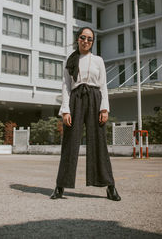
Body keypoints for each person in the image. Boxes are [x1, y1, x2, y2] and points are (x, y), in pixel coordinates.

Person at [50, 27, 121, 201]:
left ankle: (110, 186)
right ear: (78, 39)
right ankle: (60, 187)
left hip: (95, 98)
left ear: (92, 42)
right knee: (70, 142)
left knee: (99, 141)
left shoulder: (98, 60)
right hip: (75, 99)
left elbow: (103, 85)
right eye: (83, 37)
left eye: (90, 39)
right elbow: (66, 85)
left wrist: (104, 108)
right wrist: (65, 109)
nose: (86, 41)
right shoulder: (71, 60)